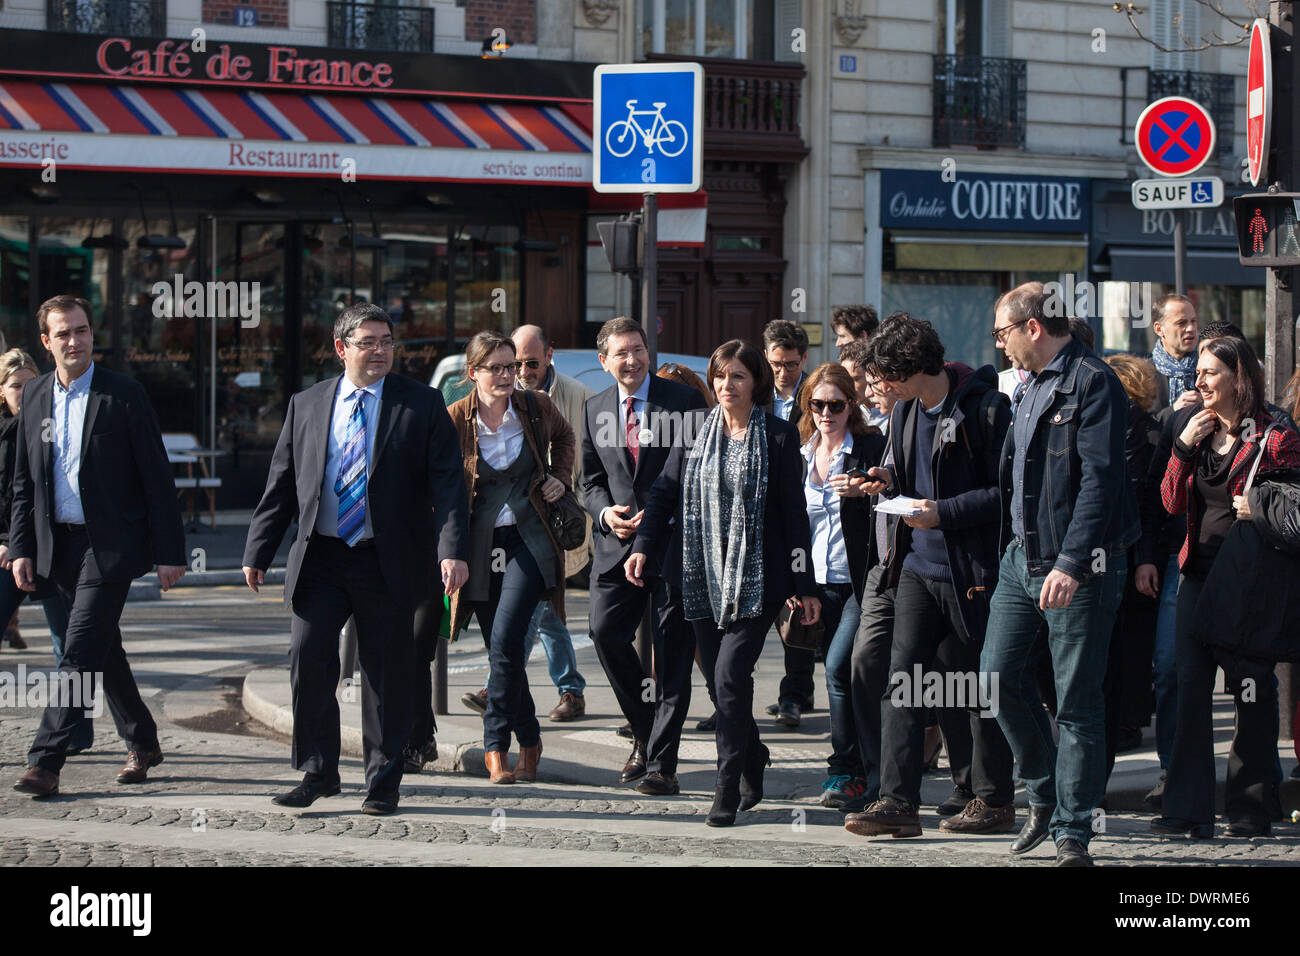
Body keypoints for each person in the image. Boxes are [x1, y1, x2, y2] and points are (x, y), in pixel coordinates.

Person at [242, 302, 469, 815]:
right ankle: (318, 771)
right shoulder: (307, 403)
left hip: (387, 560)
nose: (381, 351)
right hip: (320, 557)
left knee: (384, 674)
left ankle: (383, 781)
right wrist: (258, 548)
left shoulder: (422, 404)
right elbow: (282, 483)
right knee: (308, 660)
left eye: (387, 341)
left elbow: (449, 485)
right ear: (341, 348)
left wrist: (451, 551)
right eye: (369, 342)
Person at [627, 339, 819, 826]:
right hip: (700, 576)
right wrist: (644, 546)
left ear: (755, 382)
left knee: (732, 678)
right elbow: (664, 494)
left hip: (757, 580)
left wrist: (805, 583)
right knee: (719, 685)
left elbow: (794, 517)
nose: (726, 385)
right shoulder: (694, 431)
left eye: (737, 376)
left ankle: (726, 785)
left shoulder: (777, 436)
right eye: (719, 376)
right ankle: (753, 755)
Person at [980, 282, 1137, 867]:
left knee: (1076, 702)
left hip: (1081, 565)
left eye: (1002, 334)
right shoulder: (1027, 387)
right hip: (1020, 559)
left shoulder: (1093, 382)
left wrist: (1073, 561)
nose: (1000, 347)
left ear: (1033, 327)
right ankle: (1044, 794)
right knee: (995, 682)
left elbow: (1101, 481)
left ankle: (1074, 831)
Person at [12, 295, 186, 799]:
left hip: (108, 546)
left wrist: (170, 552)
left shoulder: (123, 394)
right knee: (102, 648)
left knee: (79, 648)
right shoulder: (37, 396)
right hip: (56, 545)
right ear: (46, 343)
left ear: (92, 334)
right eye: (63, 333)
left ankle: (46, 758)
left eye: (82, 330)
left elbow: (156, 477)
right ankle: (143, 741)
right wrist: (21, 546)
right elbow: (26, 483)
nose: (75, 341)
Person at [848, 316, 1016, 838]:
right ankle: (897, 803)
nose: (879, 386)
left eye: (884, 374)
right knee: (904, 679)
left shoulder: (988, 409)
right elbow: (908, 475)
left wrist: (943, 512)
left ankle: (992, 799)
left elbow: (1005, 494)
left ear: (910, 368)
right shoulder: (903, 414)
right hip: (917, 566)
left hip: (972, 571)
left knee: (975, 688)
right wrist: (883, 481)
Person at [1152, 336, 1300, 838]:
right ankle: (1187, 810)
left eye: (1210, 372)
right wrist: (1181, 446)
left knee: (1251, 693)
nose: (1199, 382)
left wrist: (1255, 506)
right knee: (1189, 691)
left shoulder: (1275, 434)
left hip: (1251, 581)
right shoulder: (1196, 427)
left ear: (1239, 377)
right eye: (1197, 372)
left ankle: (1250, 809)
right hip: (1197, 573)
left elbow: (1294, 504)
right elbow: (1170, 504)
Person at [581, 317, 706, 790]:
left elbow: (687, 480)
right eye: (621, 353)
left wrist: (653, 525)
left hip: (671, 546)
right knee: (604, 632)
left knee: (673, 656)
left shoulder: (684, 401)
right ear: (604, 361)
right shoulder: (595, 408)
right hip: (615, 549)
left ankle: (660, 766)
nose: (631, 360)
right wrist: (604, 514)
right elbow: (589, 480)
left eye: (638, 350)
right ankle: (645, 729)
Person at [445, 330, 574, 784]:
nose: (508, 375)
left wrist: (559, 477)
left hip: (528, 542)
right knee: (502, 654)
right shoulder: (455, 420)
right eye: (496, 368)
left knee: (505, 642)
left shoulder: (534, 407)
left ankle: (495, 745)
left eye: (512, 366)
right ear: (472, 374)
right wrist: (448, 553)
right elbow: (444, 493)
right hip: (478, 550)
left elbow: (566, 436)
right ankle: (532, 739)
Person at [797, 363, 885, 808]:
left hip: (860, 580)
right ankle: (871, 770)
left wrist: (868, 489)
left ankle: (847, 771)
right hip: (816, 583)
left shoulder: (871, 446)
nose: (826, 413)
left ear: (852, 405)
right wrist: (799, 585)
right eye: (818, 404)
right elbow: (789, 524)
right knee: (846, 676)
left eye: (836, 404)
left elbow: (894, 494)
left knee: (838, 669)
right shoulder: (798, 451)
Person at [512, 324, 591, 722]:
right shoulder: (504, 393)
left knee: (540, 605)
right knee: (543, 606)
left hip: (565, 522)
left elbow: (589, 452)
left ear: (549, 355)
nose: (523, 370)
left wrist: (563, 479)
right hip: (519, 521)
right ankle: (570, 690)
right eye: (516, 362)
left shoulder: (578, 395)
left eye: (531, 362)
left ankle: (501, 685)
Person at [0, 349, 76, 733]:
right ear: (2, 391)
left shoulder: (50, 425)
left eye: (31, 384)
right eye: (15, 386)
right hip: (4, 553)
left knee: (69, 644)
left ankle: (75, 730)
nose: (24, 392)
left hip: (48, 549)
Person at [1101, 353, 1162, 785]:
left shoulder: (1137, 425)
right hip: (1131, 552)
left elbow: (1142, 497)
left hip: (1133, 550)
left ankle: (1128, 720)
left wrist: (1143, 558)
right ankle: (1127, 717)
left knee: (1130, 644)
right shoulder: (1125, 422)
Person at [761, 319, 815, 725]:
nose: (783, 372)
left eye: (791, 364)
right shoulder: (755, 394)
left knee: (798, 603)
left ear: (804, 359)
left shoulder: (817, 396)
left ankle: (795, 693)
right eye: (777, 364)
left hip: (806, 509)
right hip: (764, 512)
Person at [841, 339, 888, 432]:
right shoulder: (840, 415)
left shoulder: (893, 413)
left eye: (855, 379)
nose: (848, 385)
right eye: (844, 378)